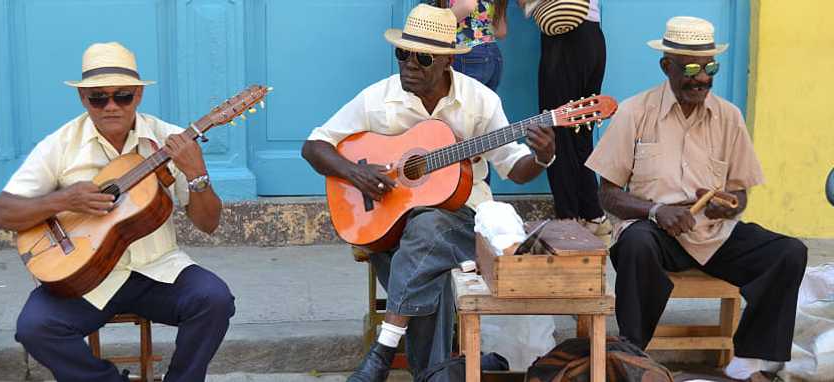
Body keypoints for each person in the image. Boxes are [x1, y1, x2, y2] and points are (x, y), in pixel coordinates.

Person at [301, 5, 555, 381]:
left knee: (429, 227)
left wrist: (542, 157)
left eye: (422, 58)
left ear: (448, 60)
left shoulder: (480, 100)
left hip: (462, 222)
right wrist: (355, 173)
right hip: (391, 225)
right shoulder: (378, 98)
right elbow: (315, 145)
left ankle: (384, 349)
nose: (409, 66)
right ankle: (434, 374)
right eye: (402, 54)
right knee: (425, 258)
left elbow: (512, 167)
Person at [0, 42, 235, 381]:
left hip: (157, 270)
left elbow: (209, 224)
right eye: (98, 98)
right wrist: (63, 201)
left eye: (123, 96)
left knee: (215, 300)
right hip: (86, 278)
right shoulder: (60, 145)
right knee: (35, 327)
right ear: (82, 99)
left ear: (138, 95)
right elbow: (0, 214)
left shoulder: (169, 140)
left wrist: (197, 175)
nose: (111, 106)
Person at [584, 16, 807, 380]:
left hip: (713, 234)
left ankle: (751, 358)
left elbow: (740, 192)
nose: (702, 77)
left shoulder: (729, 117)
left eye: (709, 67)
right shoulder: (634, 112)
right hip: (657, 233)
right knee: (636, 244)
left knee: (789, 252)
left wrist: (728, 204)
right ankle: (632, 353)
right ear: (666, 66)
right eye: (690, 68)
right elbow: (607, 195)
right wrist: (657, 211)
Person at [522, 0, 609, 234]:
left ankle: (569, 221)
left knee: (556, 131)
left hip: (564, 36)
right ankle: (592, 214)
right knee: (581, 132)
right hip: (592, 35)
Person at [445, 0, 508, 92]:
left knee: (464, 103)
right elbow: (501, 31)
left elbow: (468, 4)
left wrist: (440, 21)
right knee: (483, 104)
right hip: (493, 54)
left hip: (467, 52)